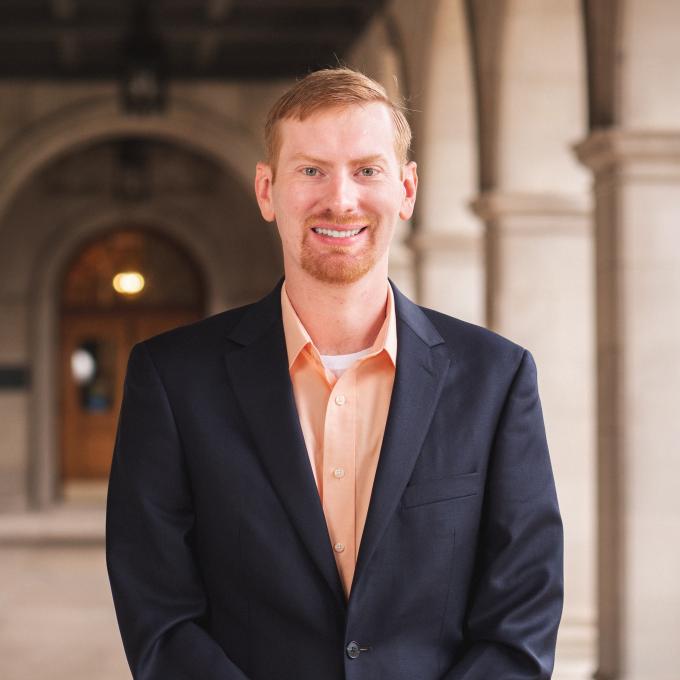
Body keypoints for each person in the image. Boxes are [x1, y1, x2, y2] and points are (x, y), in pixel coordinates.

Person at [106, 67, 563, 680]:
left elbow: (523, 615)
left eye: (367, 170)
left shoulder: (497, 378)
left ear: (406, 189)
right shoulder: (171, 379)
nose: (341, 198)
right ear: (268, 191)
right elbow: (157, 614)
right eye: (311, 170)